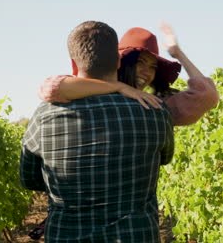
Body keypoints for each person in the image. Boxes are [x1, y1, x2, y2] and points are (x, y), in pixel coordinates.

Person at [20, 21, 174, 242]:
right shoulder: (155, 111)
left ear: (73, 63)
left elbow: (30, 179)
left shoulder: (45, 114)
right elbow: (164, 158)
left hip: (66, 235)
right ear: (119, 60)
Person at [39, 23, 219, 126]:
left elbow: (207, 96)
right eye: (140, 62)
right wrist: (119, 87)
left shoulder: (150, 105)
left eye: (152, 67)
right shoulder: (151, 110)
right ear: (121, 63)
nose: (146, 72)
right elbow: (50, 87)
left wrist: (178, 53)